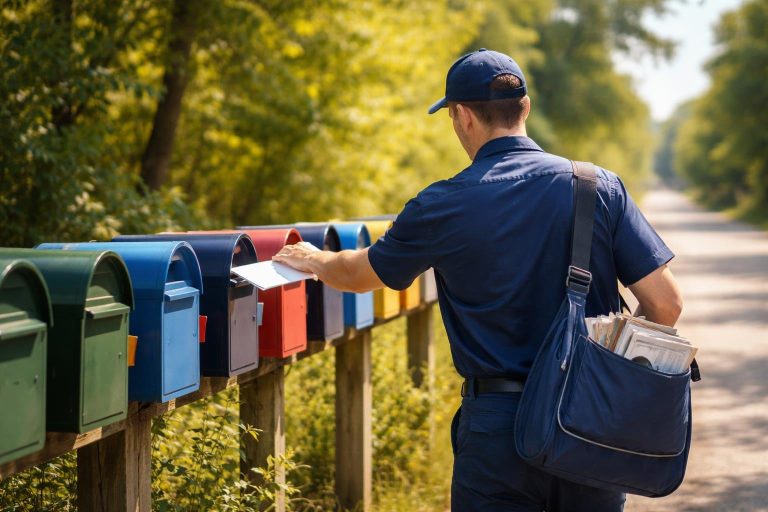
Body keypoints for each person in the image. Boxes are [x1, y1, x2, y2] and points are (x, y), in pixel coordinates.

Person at [274, 48, 683, 512]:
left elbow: (361, 275)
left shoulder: (442, 204)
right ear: (525, 107)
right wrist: (613, 375)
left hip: (497, 432)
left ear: (463, 116)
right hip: (589, 421)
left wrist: (315, 259)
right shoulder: (598, 187)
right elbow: (665, 305)